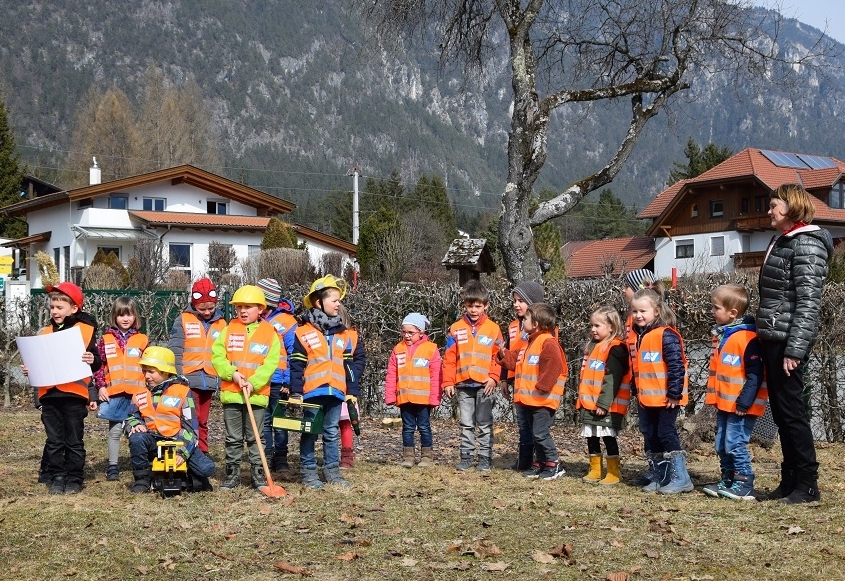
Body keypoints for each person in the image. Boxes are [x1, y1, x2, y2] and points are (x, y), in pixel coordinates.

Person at [757, 183, 832, 504]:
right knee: (781, 412)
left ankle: (808, 485)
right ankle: (789, 482)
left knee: (793, 413)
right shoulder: (783, 240)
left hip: (787, 341)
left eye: (774, 205)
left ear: (792, 207)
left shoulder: (807, 245)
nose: (770, 210)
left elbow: (808, 303)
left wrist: (795, 348)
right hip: (773, 337)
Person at [28, 282, 101, 494]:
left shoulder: (85, 331)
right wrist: (30, 369)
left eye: (60, 307)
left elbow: (96, 361)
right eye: (52, 307)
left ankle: (74, 478)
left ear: (74, 308)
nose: (55, 311)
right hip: (50, 396)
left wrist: (91, 359)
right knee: (54, 441)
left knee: (74, 441)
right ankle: (57, 476)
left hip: (74, 396)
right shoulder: (45, 332)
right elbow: (39, 364)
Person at [290, 275, 357, 488]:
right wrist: (296, 392)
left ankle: (332, 473)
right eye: (334, 300)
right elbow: (297, 366)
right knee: (310, 431)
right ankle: (309, 473)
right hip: (312, 393)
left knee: (331, 432)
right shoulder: (303, 332)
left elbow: (349, 365)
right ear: (319, 302)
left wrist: (352, 389)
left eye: (339, 300)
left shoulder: (343, 334)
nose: (339, 304)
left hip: (336, 392)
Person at [211, 285, 281, 491]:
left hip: (257, 396)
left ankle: (258, 473)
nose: (242, 310)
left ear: (260, 309)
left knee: (256, 437)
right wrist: (232, 373)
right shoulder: (228, 329)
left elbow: (270, 363)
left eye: (248, 306)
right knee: (233, 437)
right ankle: (232, 474)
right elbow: (217, 356)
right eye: (239, 306)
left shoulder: (270, 333)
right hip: (232, 393)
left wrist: (254, 383)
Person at [702, 284, 765, 501]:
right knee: (721, 443)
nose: (712, 311)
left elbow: (755, 375)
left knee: (735, 443)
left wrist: (744, 403)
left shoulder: (747, 339)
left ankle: (744, 482)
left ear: (733, 313)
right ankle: (728, 479)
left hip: (741, 407)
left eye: (715, 308)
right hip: (725, 405)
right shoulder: (724, 336)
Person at [627, 288, 692, 494]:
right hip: (647, 398)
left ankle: (681, 477)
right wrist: (635, 389)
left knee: (666, 432)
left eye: (643, 311)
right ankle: (660, 476)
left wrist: (675, 393)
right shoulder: (639, 336)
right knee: (651, 435)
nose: (638, 315)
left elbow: (676, 365)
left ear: (656, 311)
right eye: (635, 311)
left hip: (667, 398)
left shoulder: (666, 335)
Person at [125, 346, 215, 493]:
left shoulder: (183, 392)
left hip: (177, 441)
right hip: (152, 441)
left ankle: (193, 475)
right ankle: (142, 479)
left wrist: (183, 452)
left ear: (165, 371)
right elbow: (131, 416)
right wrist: (135, 424)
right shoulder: (139, 394)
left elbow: (191, 428)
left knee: (206, 468)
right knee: (137, 438)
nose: (146, 376)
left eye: (151, 371)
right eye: (144, 371)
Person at [497, 303, 567, 480]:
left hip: (542, 400)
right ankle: (541, 462)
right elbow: (515, 361)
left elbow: (554, 365)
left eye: (526, 319)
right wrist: (503, 354)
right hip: (530, 400)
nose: (522, 322)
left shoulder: (548, 342)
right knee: (535, 433)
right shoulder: (530, 342)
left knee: (541, 433)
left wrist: (543, 386)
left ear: (535, 323)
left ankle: (554, 463)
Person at [442, 279, 503, 472]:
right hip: (463, 384)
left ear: (486, 306)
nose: (474, 310)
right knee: (466, 424)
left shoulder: (494, 329)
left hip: (485, 384)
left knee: (484, 424)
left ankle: (485, 457)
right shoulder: (455, 328)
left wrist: (494, 377)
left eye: (478, 306)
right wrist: (448, 382)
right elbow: (449, 358)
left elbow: (499, 357)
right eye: (470, 306)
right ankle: (466, 456)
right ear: (464, 305)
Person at [93, 296, 148, 482]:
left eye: (129, 314)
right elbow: (99, 366)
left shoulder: (142, 339)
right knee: (115, 431)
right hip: (114, 392)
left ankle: (140, 465)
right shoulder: (105, 339)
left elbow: (149, 367)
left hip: (137, 393)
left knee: (137, 429)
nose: (125, 319)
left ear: (135, 316)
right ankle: (113, 467)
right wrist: (101, 387)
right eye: (121, 315)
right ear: (114, 317)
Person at [169, 277, 226, 455]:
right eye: (202, 309)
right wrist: (177, 377)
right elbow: (175, 351)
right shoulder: (182, 320)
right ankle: (188, 450)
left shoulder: (222, 323)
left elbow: (226, 353)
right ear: (194, 304)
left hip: (209, 379)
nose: (207, 312)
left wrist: (221, 381)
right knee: (189, 418)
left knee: (203, 419)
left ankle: (202, 452)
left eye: (211, 308)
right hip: (188, 379)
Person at [622, 269, 667, 487]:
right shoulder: (632, 322)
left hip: (657, 389)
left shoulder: (657, 325)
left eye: (627, 286)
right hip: (640, 386)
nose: (623, 290)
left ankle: (666, 472)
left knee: (660, 432)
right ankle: (654, 469)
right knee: (647, 431)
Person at [577, 305, 631, 485]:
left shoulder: (615, 349)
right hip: (589, 404)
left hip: (605, 407)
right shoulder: (592, 347)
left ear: (611, 327)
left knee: (608, 438)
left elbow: (611, 380)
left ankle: (614, 472)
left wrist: (603, 404)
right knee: (591, 437)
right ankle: (595, 469)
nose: (593, 329)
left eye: (597, 326)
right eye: (591, 325)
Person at [385, 313, 442, 468]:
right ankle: (408, 457)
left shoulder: (431, 349)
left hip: (423, 400)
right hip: (405, 398)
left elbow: (436, 375)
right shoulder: (398, 349)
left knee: (424, 427)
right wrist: (390, 396)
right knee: (407, 428)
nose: (407, 335)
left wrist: (435, 397)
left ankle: (427, 457)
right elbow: (391, 374)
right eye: (404, 332)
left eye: (411, 332)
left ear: (421, 333)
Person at [500, 281, 545, 471]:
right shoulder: (512, 326)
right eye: (515, 301)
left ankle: (539, 461)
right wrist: (504, 378)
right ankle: (524, 461)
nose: (516, 305)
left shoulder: (543, 327)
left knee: (536, 427)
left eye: (521, 301)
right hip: (518, 383)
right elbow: (508, 352)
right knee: (523, 426)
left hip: (534, 386)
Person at [256, 278, 297, 472]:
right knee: (263, 421)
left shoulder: (287, 322)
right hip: (259, 379)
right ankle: (267, 454)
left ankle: (281, 458)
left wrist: (289, 380)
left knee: (279, 421)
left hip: (279, 381)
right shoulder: (253, 320)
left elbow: (294, 352)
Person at [338, 304, 366, 469]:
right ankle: (330, 455)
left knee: (346, 422)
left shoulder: (352, 337)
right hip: (326, 385)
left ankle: (347, 456)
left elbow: (360, 359)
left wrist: (352, 374)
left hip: (347, 387)